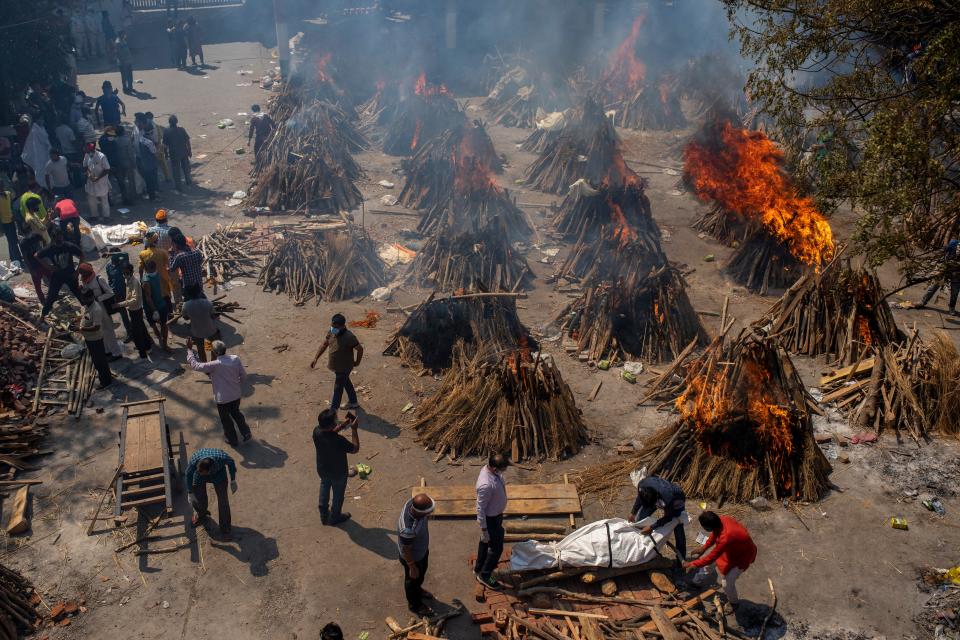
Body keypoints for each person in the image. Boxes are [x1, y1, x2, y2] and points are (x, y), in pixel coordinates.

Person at [683, 511, 757, 614]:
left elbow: (711, 557)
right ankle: (696, 582)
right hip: (731, 549)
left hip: (742, 556)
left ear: (708, 528)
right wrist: (704, 547)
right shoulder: (721, 519)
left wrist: (692, 564)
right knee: (709, 565)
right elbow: (715, 534)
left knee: (727, 583)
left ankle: (734, 603)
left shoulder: (725, 538)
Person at [186, 339, 251, 445]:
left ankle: (232, 440)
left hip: (223, 399)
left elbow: (195, 365)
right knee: (236, 413)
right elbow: (243, 376)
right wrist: (236, 384)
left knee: (226, 420)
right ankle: (246, 432)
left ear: (215, 353)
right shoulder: (235, 359)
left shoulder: (214, 364)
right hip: (236, 395)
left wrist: (189, 350)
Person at [312, 409, 359, 526]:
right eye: (336, 420)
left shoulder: (316, 431)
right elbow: (355, 448)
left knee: (324, 485)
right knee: (338, 495)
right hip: (338, 473)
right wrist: (354, 429)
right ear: (331, 425)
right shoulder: (339, 441)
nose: (338, 421)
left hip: (322, 469)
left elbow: (330, 432)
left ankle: (323, 513)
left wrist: (343, 425)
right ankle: (335, 516)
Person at [310, 314, 364, 411]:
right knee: (346, 382)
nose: (333, 328)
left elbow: (360, 349)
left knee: (338, 388)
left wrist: (357, 362)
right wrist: (316, 358)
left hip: (344, 367)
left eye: (335, 327)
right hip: (336, 366)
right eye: (332, 326)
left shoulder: (349, 337)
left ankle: (333, 411)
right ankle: (353, 402)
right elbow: (324, 344)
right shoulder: (331, 332)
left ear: (342, 326)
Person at [628, 475, 688, 561]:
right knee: (640, 519)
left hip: (676, 501)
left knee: (677, 526)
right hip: (658, 497)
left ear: (656, 499)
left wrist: (652, 527)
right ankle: (639, 548)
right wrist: (633, 512)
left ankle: (681, 559)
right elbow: (640, 498)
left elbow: (668, 517)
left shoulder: (668, 498)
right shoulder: (642, 485)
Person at [185, 448, 237, 540]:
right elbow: (188, 474)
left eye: (204, 472)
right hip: (199, 477)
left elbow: (231, 462)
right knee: (197, 497)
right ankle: (201, 515)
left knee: (223, 501)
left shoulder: (222, 458)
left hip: (219, 475)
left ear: (210, 469)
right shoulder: (195, 461)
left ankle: (225, 529)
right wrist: (190, 492)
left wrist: (233, 480)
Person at [475, 452, 509, 590]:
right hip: (491, 519)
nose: (504, 472)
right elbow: (480, 508)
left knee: (485, 542)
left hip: (496, 515)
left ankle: (479, 567)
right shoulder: (486, 485)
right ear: (494, 469)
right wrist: (484, 529)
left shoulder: (491, 471)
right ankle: (485, 575)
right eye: (503, 469)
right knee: (496, 548)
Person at [398, 493, 436, 616]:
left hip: (421, 551)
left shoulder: (411, 503)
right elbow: (406, 550)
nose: (430, 513)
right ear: (420, 513)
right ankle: (415, 605)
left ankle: (418, 590)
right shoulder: (408, 529)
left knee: (420, 575)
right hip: (413, 558)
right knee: (412, 580)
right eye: (428, 512)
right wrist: (412, 566)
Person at [78, 263, 123, 359]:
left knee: (108, 330)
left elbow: (110, 293)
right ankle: (107, 351)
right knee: (100, 331)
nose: (82, 276)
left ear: (88, 272)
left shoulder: (99, 279)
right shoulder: (85, 281)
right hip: (93, 308)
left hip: (103, 308)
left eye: (84, 273)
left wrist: (98, 298)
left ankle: (116, 353)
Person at [114, 263, 153, 358]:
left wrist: (120, 304)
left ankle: (142, 352)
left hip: (136, 310)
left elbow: (134, 299)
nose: (125, 274)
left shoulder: (134, 282)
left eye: (127, 272)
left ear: (131, 272)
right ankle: (148, 346)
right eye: (124, 273)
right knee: (142, 329)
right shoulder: (128, 280)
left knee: (137, 333)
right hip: (133, 310)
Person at [78, 290, 114, 389]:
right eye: (82, 298)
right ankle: (106, 376)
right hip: (89, 338)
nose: (83, 300)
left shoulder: (96, 309)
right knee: (97, 360)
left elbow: (96, 327)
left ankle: (106, 381)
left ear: (91, 297)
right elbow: (86, 318)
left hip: (95, 339)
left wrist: (81, 329)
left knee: (100, 360)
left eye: (85, 298)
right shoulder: (87, 306)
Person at [917, 239, 960, 316]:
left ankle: (951, 308)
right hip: (945, 268)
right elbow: (943, 251)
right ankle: (923, 302)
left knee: (955, 292)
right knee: (934, 286)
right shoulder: (954, 243)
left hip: (957, 273)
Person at [181, 284, 217, 361]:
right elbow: (213, 316)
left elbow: (185, 317)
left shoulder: (186, 305)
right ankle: (213, 364)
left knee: (200, 350)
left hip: (197, 331)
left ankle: (205, 367)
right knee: (213, 347)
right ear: (199, 292)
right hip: (210, 329)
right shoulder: (207, 303)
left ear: (188, 294)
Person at [140, 260, 170, 350]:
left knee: (164, 324)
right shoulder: (146, 281)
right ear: (147, 269)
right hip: (151, 308)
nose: (153, 271)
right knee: (153, 324)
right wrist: (154, 310)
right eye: (151, 270)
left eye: (154, 269)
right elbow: (148, 298)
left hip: (161, 303)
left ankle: (164, 344)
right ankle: (159, 337)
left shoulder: (156, 274)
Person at [105, 249, 133, 340]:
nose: (115, 258)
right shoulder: (108, 266)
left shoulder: (122, 264)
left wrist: (112, 253)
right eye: (113, 256)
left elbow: (125, 254)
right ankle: (128, 333)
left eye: (116, 255)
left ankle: (132, 331)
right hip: (114, 293)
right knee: (120, 313)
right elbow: (109, 279)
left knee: (128, 312)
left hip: (123, 291)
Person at [162, 115, 191, 192]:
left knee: (176, 171)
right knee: (186, 167)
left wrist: (166, 154)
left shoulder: (167, 131)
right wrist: (189, 151)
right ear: (176, 122)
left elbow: (164, 145)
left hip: (174, 154)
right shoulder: (181, 130)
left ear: (169, 122)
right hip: (183, 151)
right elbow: (187, 140)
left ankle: (178, 186)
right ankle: (188, 180)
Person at [82, 142, 111, 220]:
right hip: (91, 182)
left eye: (87, 150)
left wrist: (98, 178)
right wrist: (89, 175)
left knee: (104, 200)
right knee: (91, 201)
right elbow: (85, 166)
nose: (86, 151)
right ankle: (94, 216)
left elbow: (107, 169)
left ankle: (106, 216)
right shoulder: (86, 155)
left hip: (101, 182)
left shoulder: (102, 156)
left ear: (92, 149)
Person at [134, 115, 159, 201]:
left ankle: (150, 193)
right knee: (151, 180)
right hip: (149, 164)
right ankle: (153, 196)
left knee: (147, 180)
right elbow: (155, 153)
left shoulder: (142, 139)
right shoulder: (148, 142)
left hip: (143, 162)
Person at [0, 188, 20, 268]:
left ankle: (14, 257)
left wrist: (14, 215)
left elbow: (11, 205)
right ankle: (16, 258)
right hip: (5, 223)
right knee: (12, 241)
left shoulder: (8, 193)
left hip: (11, 220)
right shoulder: (7, 193)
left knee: (13, 240)